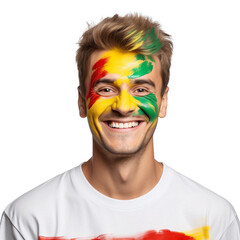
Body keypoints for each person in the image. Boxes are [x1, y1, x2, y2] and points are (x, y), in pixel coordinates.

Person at [0, 13, 239, 240]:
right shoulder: (30, 219)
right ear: (82, 102)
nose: (124, 106)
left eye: (141, 90)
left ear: (163, 101)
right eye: (106, 89)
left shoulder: (213, 219)